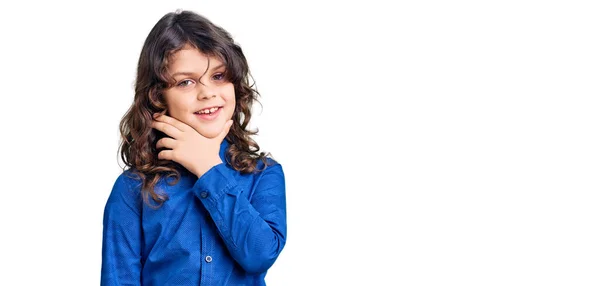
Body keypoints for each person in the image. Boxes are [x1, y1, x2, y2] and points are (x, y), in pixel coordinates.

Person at [101, 9, 287, 285]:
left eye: (219, 76)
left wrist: (208, 167)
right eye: (186, 82)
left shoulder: (263, 175)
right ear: (158, 97)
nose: (207, 92)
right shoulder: (133, 189)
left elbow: (259, 255)